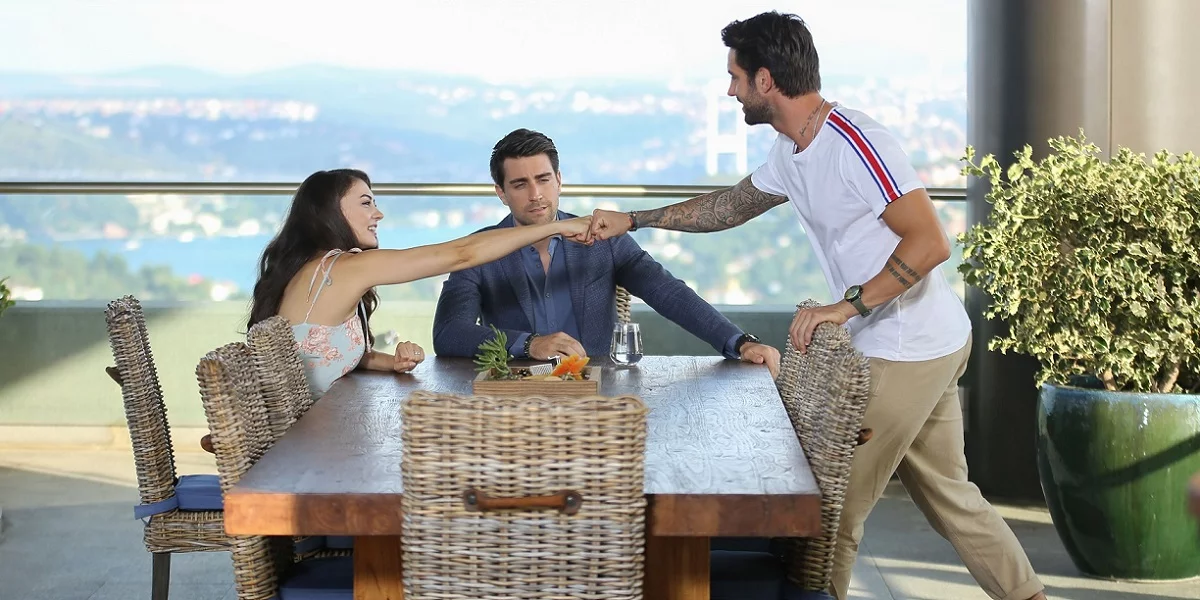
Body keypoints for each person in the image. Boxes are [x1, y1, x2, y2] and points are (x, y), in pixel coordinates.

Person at [586, 12, 1046, 600]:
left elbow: (930, 242)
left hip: (904, 347)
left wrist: (845, 308)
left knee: (828, 518)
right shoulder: (791, 147)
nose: (730, 90)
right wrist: (635, 219)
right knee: (952, 498)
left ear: (766, 80)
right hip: (926, 339)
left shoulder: (856, 143)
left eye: (735, 77)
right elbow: (730, 207)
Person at [432, 128, 779, 374]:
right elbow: (448, 332)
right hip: (515, 402)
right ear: (501, 192)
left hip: (600, 398)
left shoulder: (603, 240)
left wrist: (738, 342)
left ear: (559, 180)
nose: (535, 194)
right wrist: (528, 344)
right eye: (520, 184)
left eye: (543, 179)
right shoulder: (478, 252)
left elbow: (668, 292)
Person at [248, 168, 593, 398]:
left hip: (310, 432)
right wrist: (555, 227)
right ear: (329, 213)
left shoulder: (313, 268)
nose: (378, 214)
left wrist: (389, 363)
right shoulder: (343, 268)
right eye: (366, 203)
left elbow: (322, 351)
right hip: (304, 449)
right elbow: (461, 254)